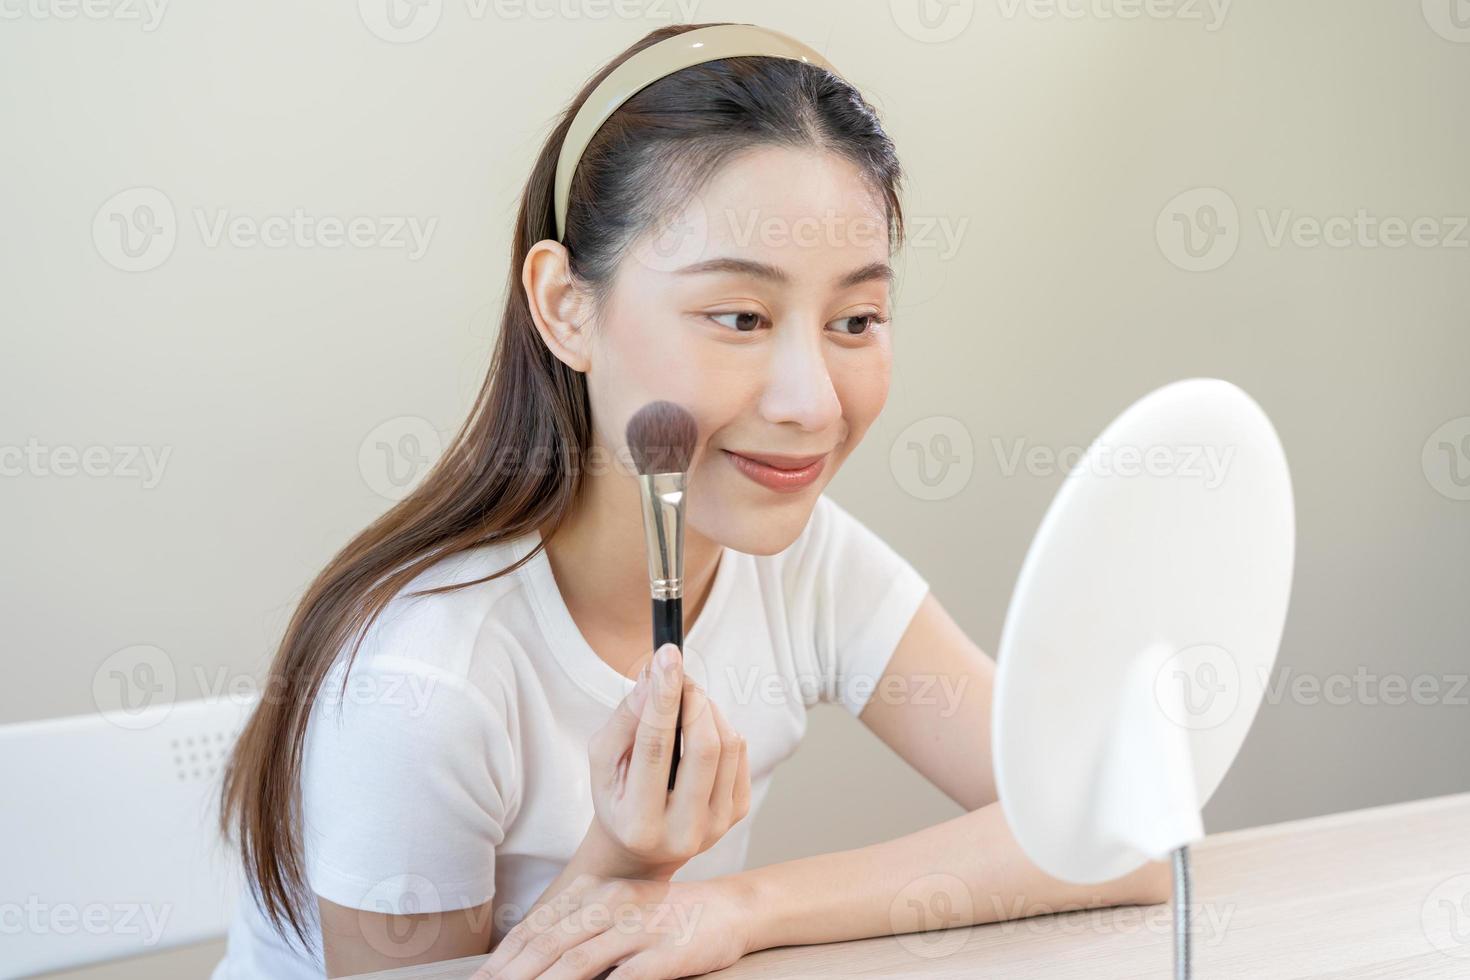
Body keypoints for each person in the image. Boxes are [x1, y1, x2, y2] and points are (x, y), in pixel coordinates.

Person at [212, 22, 1169, 980]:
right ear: (565, 308)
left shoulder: (805, 563)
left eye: (856, 320)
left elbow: (1123, 826)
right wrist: (626, 862)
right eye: (740, 317)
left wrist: (741, 908)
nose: (812, 402)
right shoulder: (423, 688)